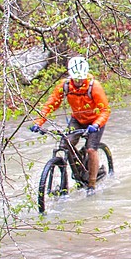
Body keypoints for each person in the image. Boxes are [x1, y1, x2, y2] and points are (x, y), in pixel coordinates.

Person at [30, 56, 111, 196]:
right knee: (65, 145)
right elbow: (51, 104)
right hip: (77, 119)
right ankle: (69, 177)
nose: (78, 81)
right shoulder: (65, 85)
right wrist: (38, 122)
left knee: (91, 149)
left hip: (95, 121)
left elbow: (104, 110)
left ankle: (91, 184)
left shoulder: (94, 86)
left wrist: (96, 124)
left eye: (81, 78)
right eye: (76, 78)